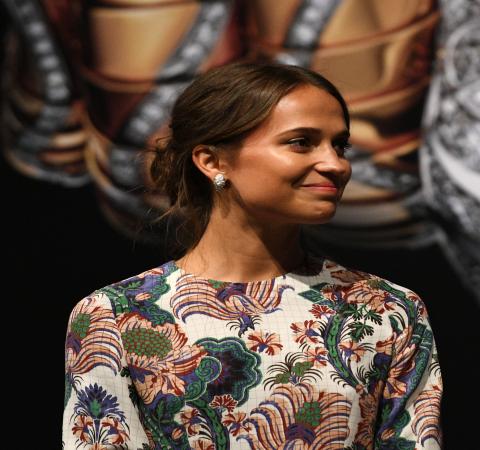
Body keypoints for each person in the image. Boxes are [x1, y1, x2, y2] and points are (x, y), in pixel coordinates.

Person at [62, 62, 443, 449]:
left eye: (339, 145)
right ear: (212, 161)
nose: (335, 164)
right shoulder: (119, 314)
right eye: (301, 142)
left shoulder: (385, 310)